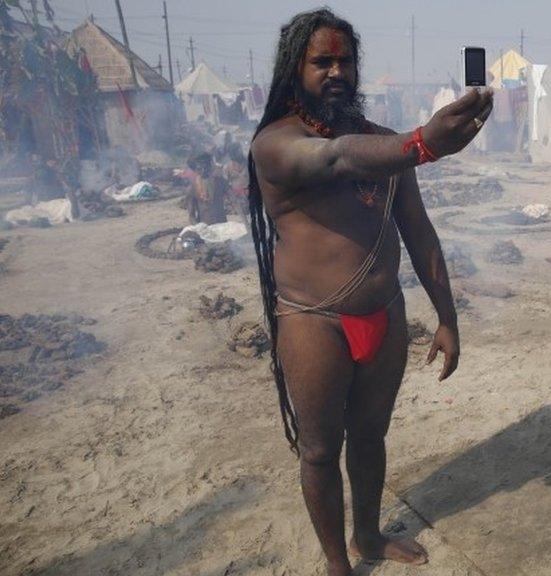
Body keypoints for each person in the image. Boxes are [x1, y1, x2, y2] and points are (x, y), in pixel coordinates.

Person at [247, 9, 492, 576]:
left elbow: (419, 230)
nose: (336, 71)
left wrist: (448, 317)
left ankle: (368, 535)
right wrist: (423, 144)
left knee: (371, 436)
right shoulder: (276, 143)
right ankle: (338, 563)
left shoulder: (383, 144)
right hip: (314, 323)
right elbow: (333, 157)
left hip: (385, 314)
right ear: (294, 68)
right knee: (319, 450)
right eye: (321, 61)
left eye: (345, 60)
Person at [185, 152, 228, 225]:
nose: (204, 171)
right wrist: (199, 228)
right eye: (199, 169)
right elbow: (191, 216)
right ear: (195, 170)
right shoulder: (192, 188)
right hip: (205, 228)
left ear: (210, 166)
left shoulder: (221, 182)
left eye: (206, 167)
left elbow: (236, 202)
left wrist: (246, 224)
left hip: (223, 227)